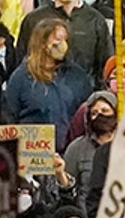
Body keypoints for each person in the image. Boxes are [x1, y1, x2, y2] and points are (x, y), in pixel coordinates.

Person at [6, 18, 95, 150]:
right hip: (35, 155)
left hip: (71, 152)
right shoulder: (21, 78)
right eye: (58, 39)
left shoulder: (77, 75)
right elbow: (9, 119)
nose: (62, 44)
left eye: (65, 40)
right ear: (42, 42)